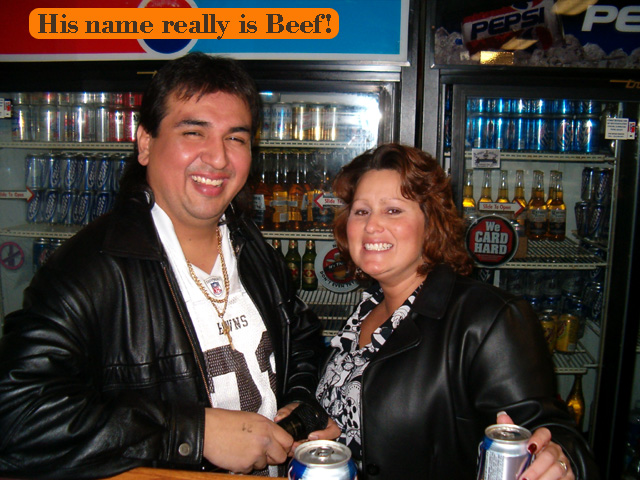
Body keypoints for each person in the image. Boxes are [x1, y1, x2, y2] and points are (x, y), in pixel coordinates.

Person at [0, 52, 337, 479]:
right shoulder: (87, 271)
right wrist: (194, 432)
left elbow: (300, 337)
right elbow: (17, 417)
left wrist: (298, 402)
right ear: (145, 143)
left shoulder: (249, 244)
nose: (218, 159)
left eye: (236, 138)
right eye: (194, 132)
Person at [315, 143, 600, 479]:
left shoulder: (489, 319)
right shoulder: (368, 308)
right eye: (361, 211)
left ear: (430, 224)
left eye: (393, 210)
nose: (372, 225)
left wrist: (561, 459)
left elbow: (550, 431)